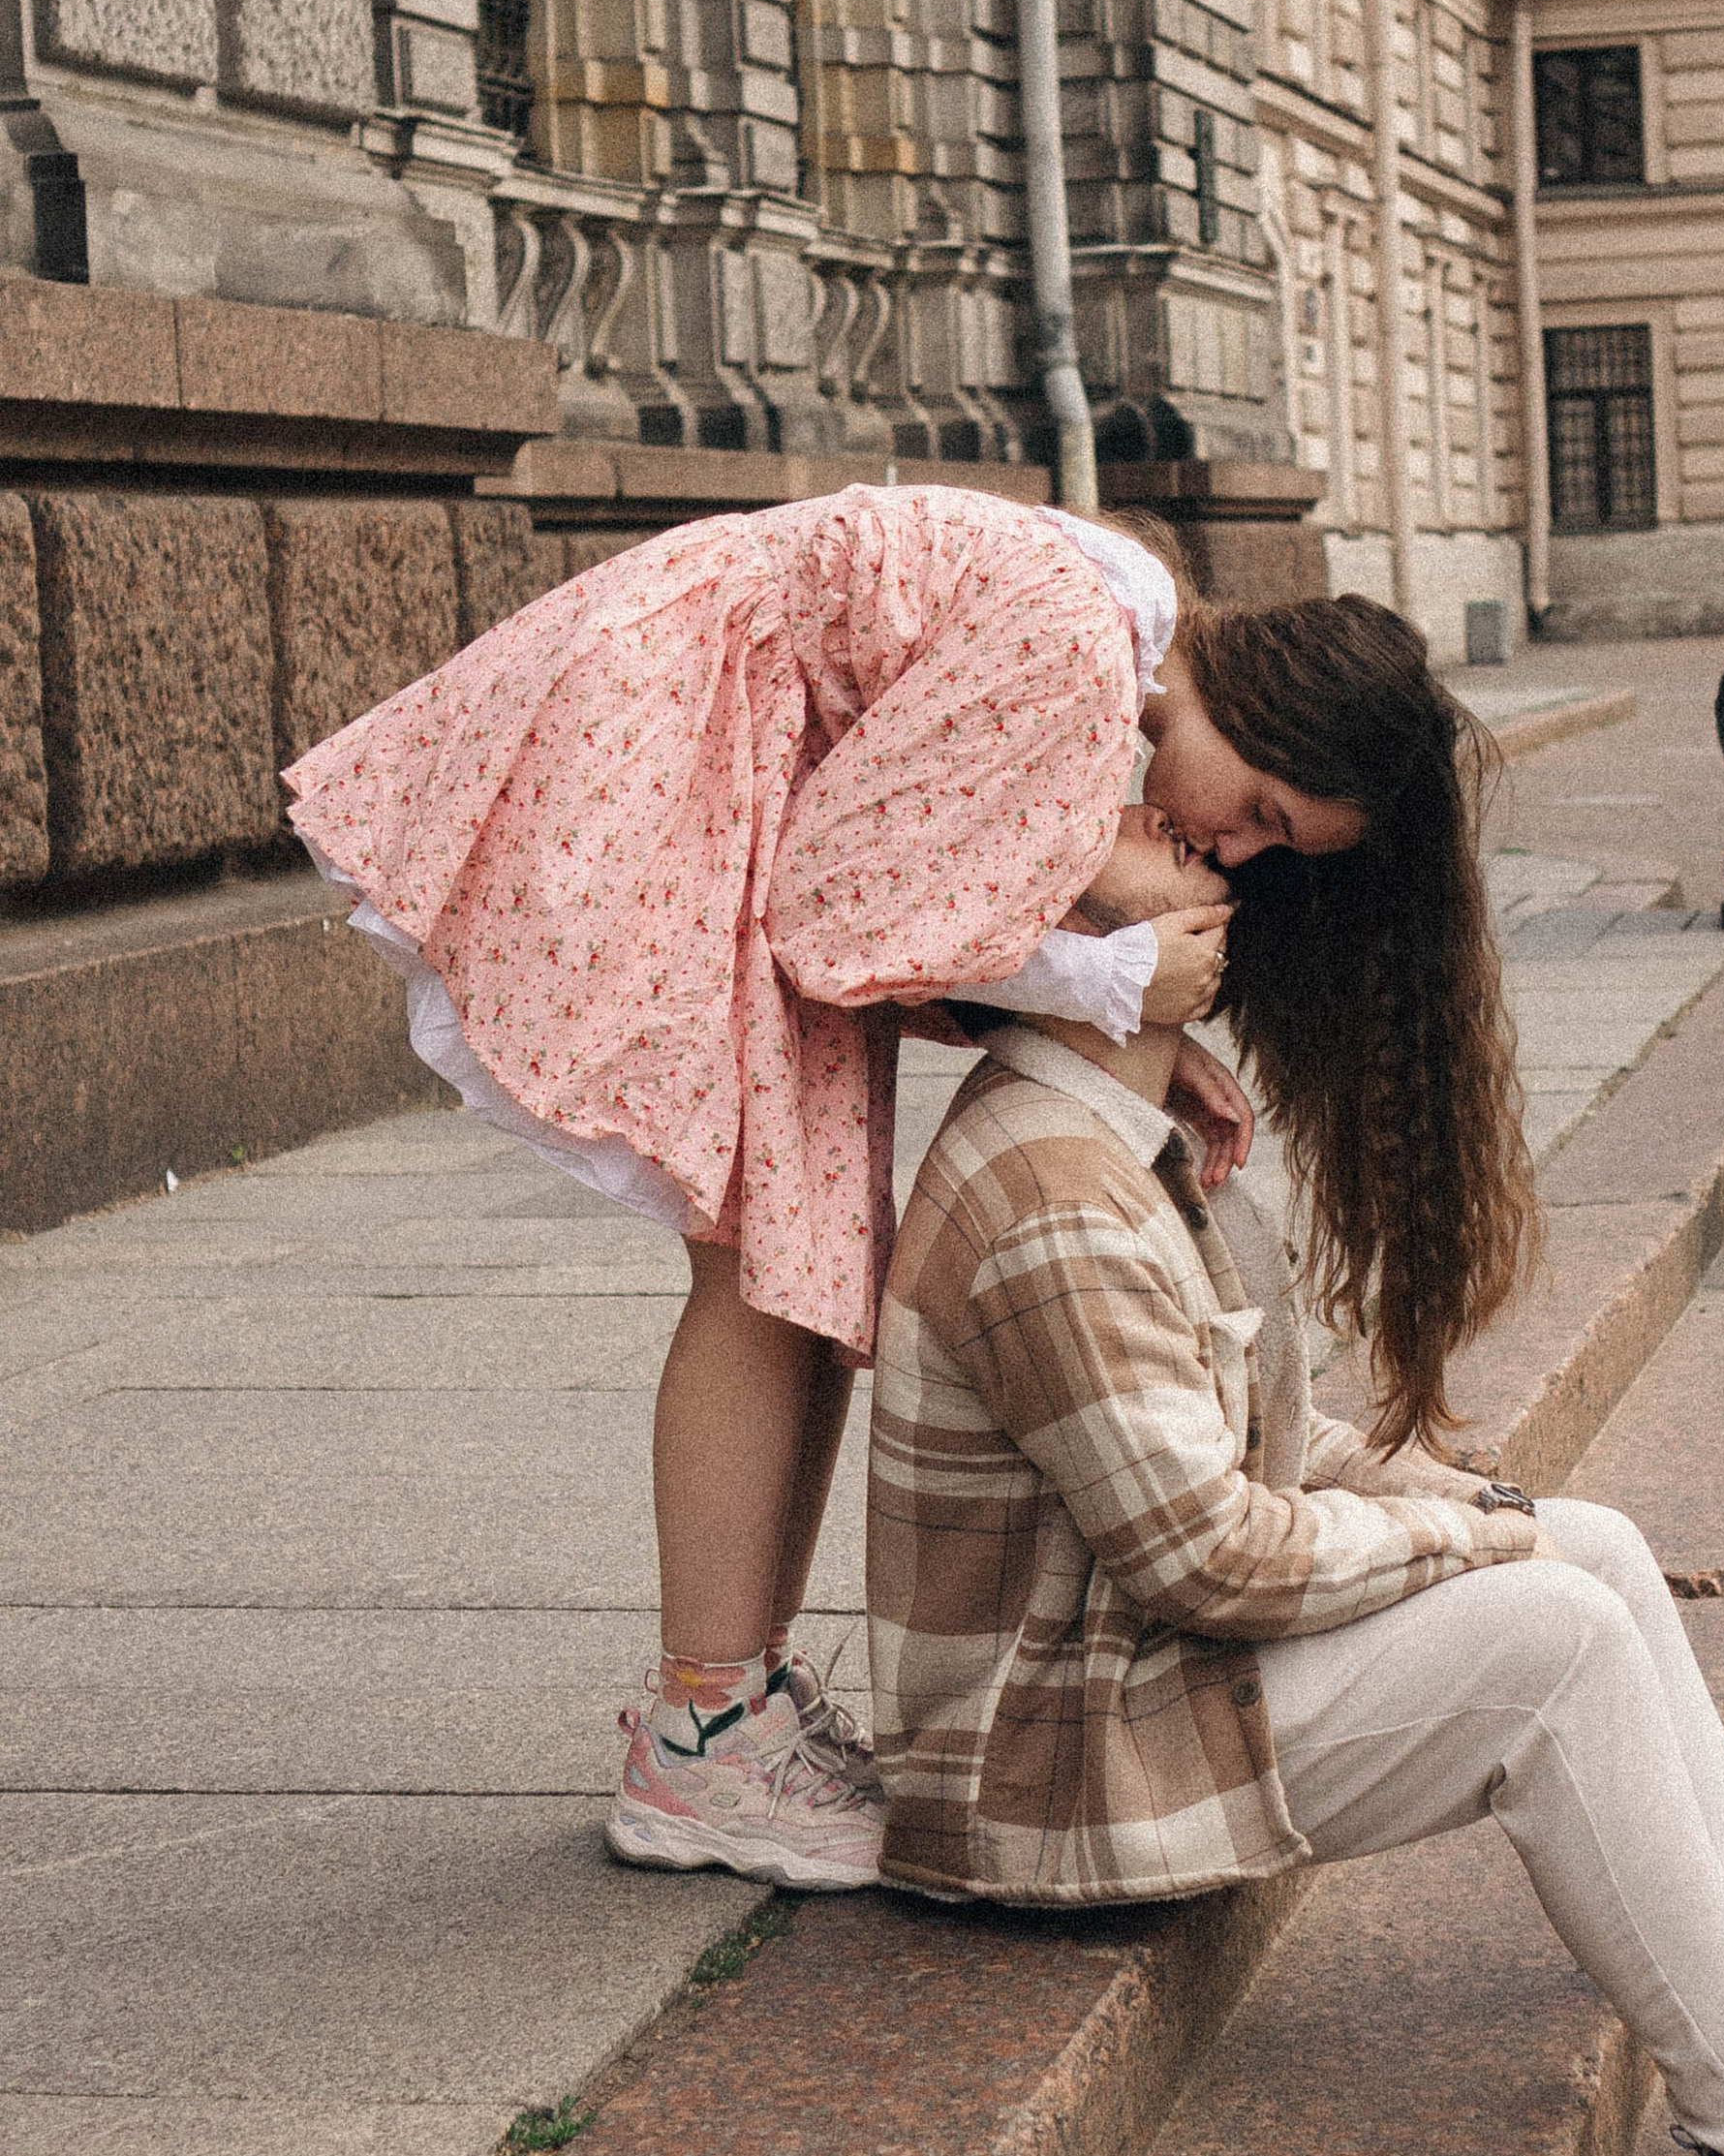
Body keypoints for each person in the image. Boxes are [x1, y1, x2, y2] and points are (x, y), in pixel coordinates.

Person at [868, 816, 1724, 2156]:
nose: (1189, 842)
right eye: (1131, 833)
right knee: (1549, 1644)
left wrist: (1449, 1499)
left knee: (1596, 1552)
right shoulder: (1046, 1188)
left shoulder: (1112, 1134)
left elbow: (1250, 1439)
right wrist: (1454, 1537)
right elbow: (1205, 1559)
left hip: (1132, 1672)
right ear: (1052, 932)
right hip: (1056, 1761)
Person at [281, 484, 1525, 1887]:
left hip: (713, 753)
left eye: (1268, 852)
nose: (1235, 852)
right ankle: (702, 1732)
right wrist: (1109, 975)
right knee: (757, 1257)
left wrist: (1122, 1021)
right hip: (674, 750)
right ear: (1267, 717)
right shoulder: (1076, 647)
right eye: (1265, 816)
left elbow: (906, 886)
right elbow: (839, 916)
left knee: (799, 1260)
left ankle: (728, 1710)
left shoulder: (1097, 636)